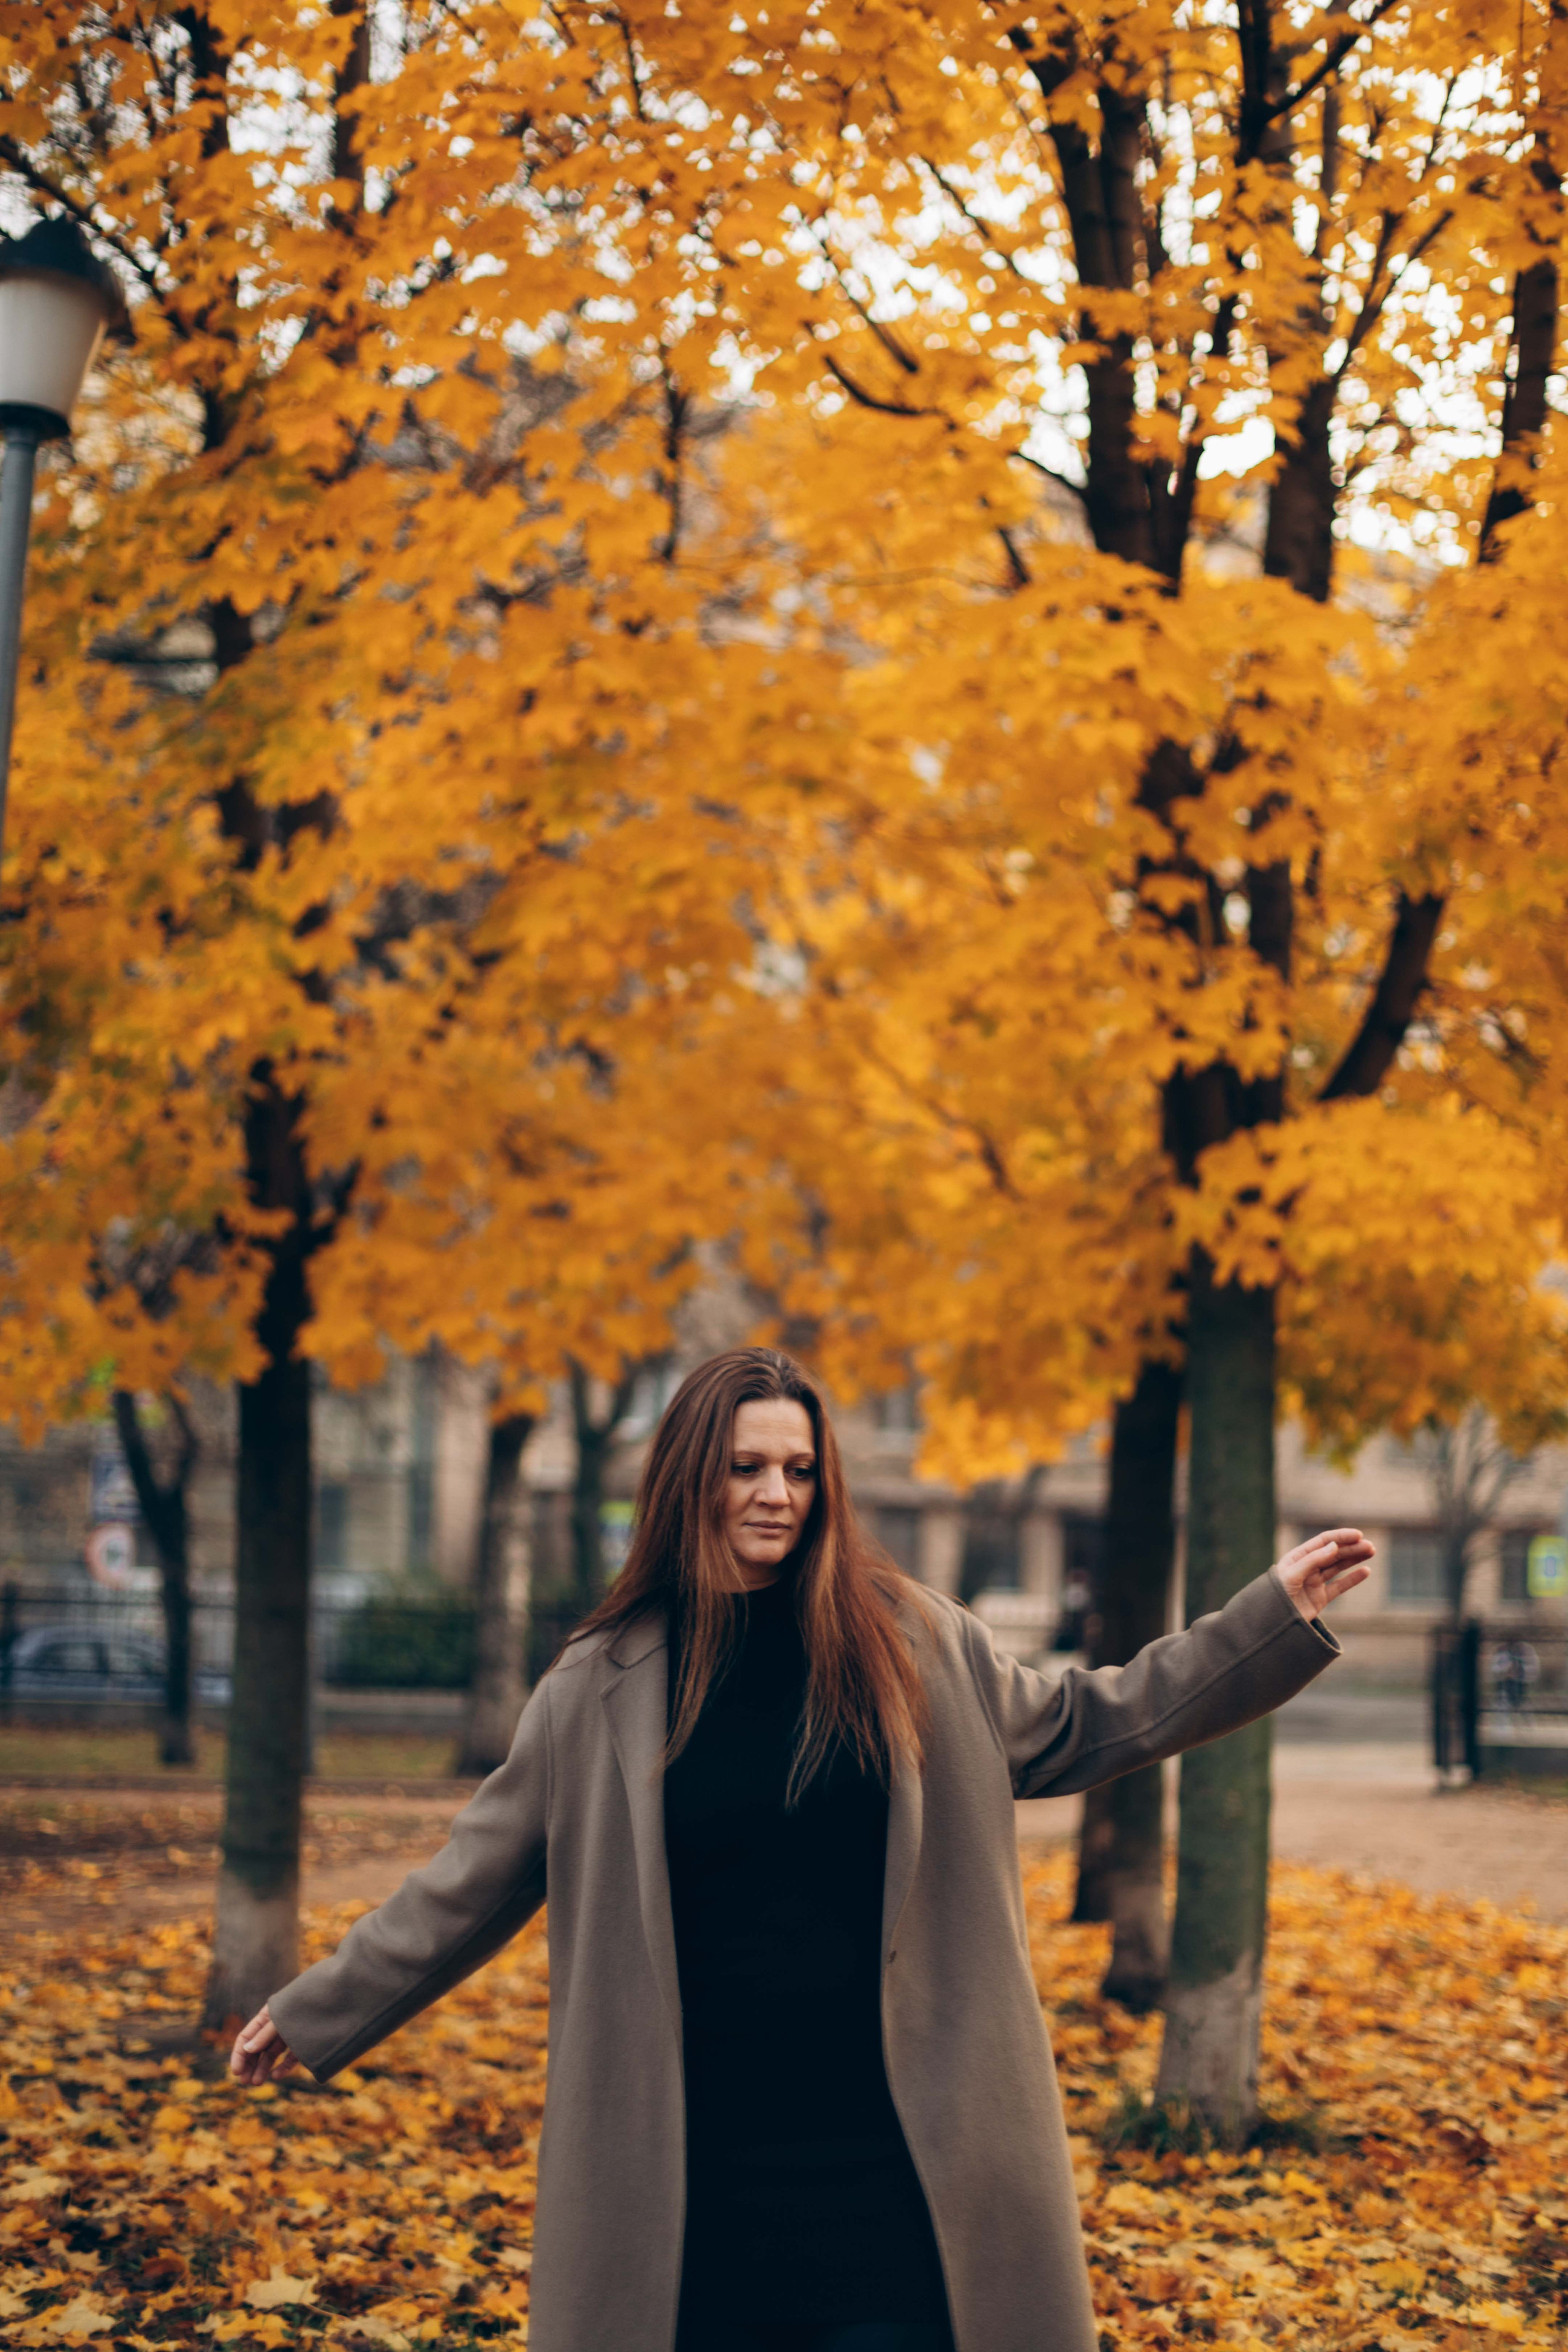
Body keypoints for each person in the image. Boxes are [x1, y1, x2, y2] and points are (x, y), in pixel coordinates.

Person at [232, 1347, 1372, 2352]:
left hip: (898, 2177)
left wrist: (1268, 1616)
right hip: (692, 2185)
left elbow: (1097, 1717)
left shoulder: (913, 1640)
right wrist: (321, 2005)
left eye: (798, 1468)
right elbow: (469, 1881)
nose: (775, 1493)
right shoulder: (601, 1685)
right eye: (746, 1467)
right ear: (691, 1478)